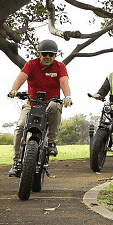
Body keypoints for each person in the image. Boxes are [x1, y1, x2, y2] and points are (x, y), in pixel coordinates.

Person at [7, 39, 71, 176]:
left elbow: (64, 82)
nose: (47, 57)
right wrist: (14, 89)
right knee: (20, 126)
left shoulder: (60, 67)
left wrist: (67, 96)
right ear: (39, 54)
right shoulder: (31, 64)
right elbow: (21, 77)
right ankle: (17, 161)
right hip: (32, 104)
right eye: (44, 54)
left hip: (50, 104)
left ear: (55, 56)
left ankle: (52, 142)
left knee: (55, 105)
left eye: (51, 54)